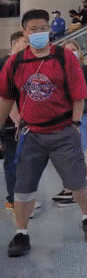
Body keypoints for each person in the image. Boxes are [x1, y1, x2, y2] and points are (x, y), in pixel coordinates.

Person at [0, 9, 87, 257]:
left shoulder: (64, 57)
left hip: (63, 130)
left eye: (43, 28)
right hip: (32, 134)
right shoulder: (15, 62)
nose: (39, 33)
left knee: (76, 180)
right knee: (23, 187)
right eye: (33, 29)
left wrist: (75, 126)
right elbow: (6, 98)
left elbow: (79, 94)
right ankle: (21, 234)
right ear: (24, 31)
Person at [51, 40, 87, 207]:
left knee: (75, 155)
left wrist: (78, 88)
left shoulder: (85, 70)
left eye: (73, 49)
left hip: (82, 117)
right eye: (66, 50)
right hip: (65, 117)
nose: (70, 52)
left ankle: (74, 191)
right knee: (67, 155)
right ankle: (69, 188)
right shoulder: (59, 71)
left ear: (78, 51)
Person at [1, 32, 30, 211]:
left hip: (26, 122)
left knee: (26, 162)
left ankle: (22, 199)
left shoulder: (24, 65)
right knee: (12, 161)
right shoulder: (5, 64)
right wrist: (14, 117)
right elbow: (5, 95)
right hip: (11, 123)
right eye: (25, 42)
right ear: (16, 43)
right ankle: (13, 201)